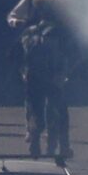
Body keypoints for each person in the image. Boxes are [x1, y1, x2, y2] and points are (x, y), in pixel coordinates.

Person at [20, 11, 76, 161]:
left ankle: (34, 143)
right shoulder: (59, 31)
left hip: (33, 78)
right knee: (60, 112)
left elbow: (20, 56)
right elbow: (67, 56)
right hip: (54, 78)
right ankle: (62, 146)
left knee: (35, 111)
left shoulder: (29, 33)